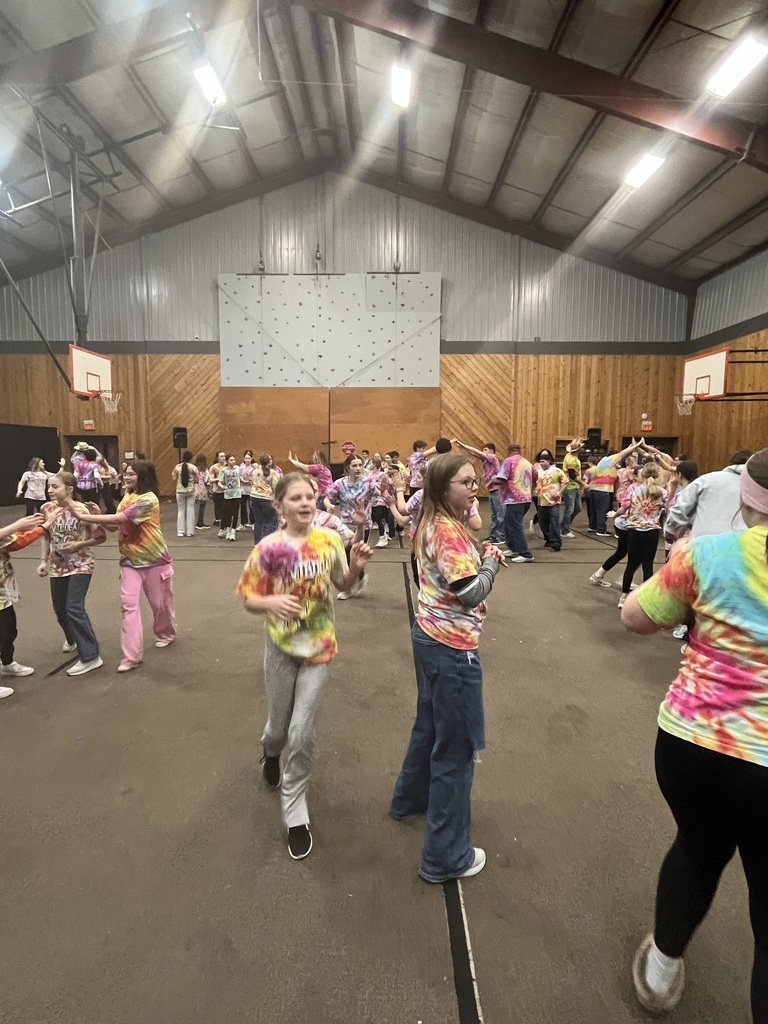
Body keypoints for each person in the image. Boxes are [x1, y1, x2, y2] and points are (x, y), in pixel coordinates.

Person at [621, 448, 768, 1022]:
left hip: (694, 743)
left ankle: (660, 973)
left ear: (746, 499)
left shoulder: (706, 555)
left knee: (698, 848)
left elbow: (635, 617)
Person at [237, 472, 372, 860]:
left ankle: (295, 814)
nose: (306, 503)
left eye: (310, 496)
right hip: (280, 648)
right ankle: (269, 751)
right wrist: (270, 603)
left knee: (302, 732)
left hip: (319, 647)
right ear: (278, 506)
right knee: (278, 729)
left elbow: (342, 585)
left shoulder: (328, 540)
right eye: (295, 498)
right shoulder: (268, 548)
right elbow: (248, 597)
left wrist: (357, 567)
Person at [390, 453, 505, 882]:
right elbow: (471, 592)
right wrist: (492, 563)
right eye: (464, 482)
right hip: (452, 648)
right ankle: (445, 856)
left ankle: (409, 800)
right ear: (442, 489)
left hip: (430, 636)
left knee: (429, 725)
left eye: (475, 481)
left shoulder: (437, 524)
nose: (473, 488)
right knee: (456, 750)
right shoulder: (446, 531)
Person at [71, 460, 175, 673]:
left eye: (131, 474)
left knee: (160, 604)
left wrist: (84, 515)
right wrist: (98, 515)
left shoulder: (149, 499)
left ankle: (166, 633)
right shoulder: (127, 497)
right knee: (129, 606)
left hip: (155, 560)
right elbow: (114, 526)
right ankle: (131, 656)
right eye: (125, 474)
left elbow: (121, 517)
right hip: (129, 560)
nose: (126, 477)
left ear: (143, 476)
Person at [39, 472, 106, 677]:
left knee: (74, 607)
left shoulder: (81, 510)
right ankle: (73, 638)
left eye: (55, 486)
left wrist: (79, 544)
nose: (50, 490)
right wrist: (43, 560)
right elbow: (45, 536)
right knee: (60, 609)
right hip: (58, 566)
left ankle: (91, 656)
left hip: (80, 564)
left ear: (69, 489)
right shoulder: (47, 509)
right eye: (49, 486)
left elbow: (100, 536)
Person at [0, 511, 51, 692]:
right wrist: (39, 527)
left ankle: (6, 662)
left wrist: (30, 527)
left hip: (3, 592)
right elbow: (13, 538)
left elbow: (12, 540)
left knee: (8, 631)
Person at [665, 449, 754, 540]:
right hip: (745, 544)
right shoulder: (759, 488)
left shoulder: (707, 480)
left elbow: (680, 507)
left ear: (731, 463)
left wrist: (671, 531)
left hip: (703, 543)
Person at [616, 462, 667, 609]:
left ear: (642, 475)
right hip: (651, 532)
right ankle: (646, 599)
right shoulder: (661, 492)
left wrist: (615, 515)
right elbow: (669, 506)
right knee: (647, 565)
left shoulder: (634, 490)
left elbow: (623, 508)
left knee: (631, 564)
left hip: (634, 531)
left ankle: (623, 597)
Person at [454, 439, 504, 545]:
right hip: (492, 490)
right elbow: (474, 453)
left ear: (491, 451)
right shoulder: (486, 460)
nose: (483, 452)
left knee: (499, 514)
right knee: (494, 515)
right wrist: (463, 448)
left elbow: (476, 452)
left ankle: (500, 536)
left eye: (485, 450)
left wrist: (463, 444)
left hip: (497, 490)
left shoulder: (493, 458)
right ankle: (493, 535)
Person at [589, 439, 643, 536]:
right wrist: (634, 447)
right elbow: (622, 454)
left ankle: (594, 526)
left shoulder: (608, 465)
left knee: (595, 509)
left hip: (596, 488)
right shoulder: (608, 460)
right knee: (602, 509)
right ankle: (600, 529)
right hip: (603, 489)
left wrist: (630, 447)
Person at [496, 444, 534, 563]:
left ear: (508, 451)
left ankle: (525, 553)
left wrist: (491, 482)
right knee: (509, 524)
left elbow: (501, 478)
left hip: (514, 499)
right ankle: (513, 548)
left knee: (515, 526)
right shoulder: (527, 463)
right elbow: (536, 476)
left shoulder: (508, 461)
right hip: (525, 498)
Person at [534, 452, 567, 551]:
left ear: (549, 461)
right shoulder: (538, 472)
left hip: (554, 501)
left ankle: (556, 543)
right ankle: (548, 538)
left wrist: (560, 492)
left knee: (554, 522)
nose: (542, 464)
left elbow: (565, 482)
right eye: (540, 462)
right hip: (541, 501)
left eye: (543, 461)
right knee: (542, 522)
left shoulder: (556, 471)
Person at [250, 454, 281, 542]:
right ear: (269, 462)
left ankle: (257, 543)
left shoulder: (255, 471)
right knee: (269, 521)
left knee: (258, 522)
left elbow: (252, 482)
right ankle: (267, 543)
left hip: (254, 497)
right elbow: (275, 486)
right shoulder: (273, 473)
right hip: (267, 498)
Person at [561, 438, 585, 538]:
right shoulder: (571, 459)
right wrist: (583, 484)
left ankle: (564, 526)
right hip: (570, 486)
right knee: (570, 509)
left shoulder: (573, 457)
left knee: (577, 508)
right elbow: (572, 475)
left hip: (574, 486)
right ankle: (564, 530)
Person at [172, 449, 199, 538]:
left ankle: (180, 531)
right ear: (191, 458)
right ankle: (190, 531)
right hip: (190, 491)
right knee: (190, 509)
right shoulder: (193, 467)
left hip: (180, 491)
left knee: (181, 510)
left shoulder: (177, 467)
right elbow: (197, 480)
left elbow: (174, 477)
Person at [218, 455, 242, 541]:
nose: (233, 461)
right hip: (228, 494)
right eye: (231, 460)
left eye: (234, 460)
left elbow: (240, 478)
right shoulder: (224, 470)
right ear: (227, 461)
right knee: (227, 513)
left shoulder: (238, 469)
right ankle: (228, 530)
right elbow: (219, 482)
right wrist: (223, 487)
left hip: (237, 494)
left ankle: (233, 532)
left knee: (235, 513)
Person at [209, 451, 227, 526]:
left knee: (225, 506)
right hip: (217, 490)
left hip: (226, 489)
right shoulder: (213, 467)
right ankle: (218, 519)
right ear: (217, 458)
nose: (223, 458)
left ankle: (225, 519)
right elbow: (211, 479)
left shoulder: (227, 466)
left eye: (224, 456)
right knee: (217, 506)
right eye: (221, 456)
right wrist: (218, 479)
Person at [193, 454, 211, 529]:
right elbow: (207, 480)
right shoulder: (205, 470)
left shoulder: (194, 468)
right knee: (202, 506)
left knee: (191, 506)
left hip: (194, 488)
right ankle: (200, 522)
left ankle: (190, 522)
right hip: (202, 488)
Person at [238, 451, 255, 529]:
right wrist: (243, 481)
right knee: (243, 506)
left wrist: (251, 480)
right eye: (246, 458)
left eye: (249, 458)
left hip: (251, 489)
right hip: (242, 489)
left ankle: (253, 522)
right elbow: (239, 476)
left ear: (251, 459)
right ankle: (243, 523)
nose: (247, 460)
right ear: (243, 459)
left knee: (251, 506)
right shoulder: (241, 467)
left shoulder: (254, 467)